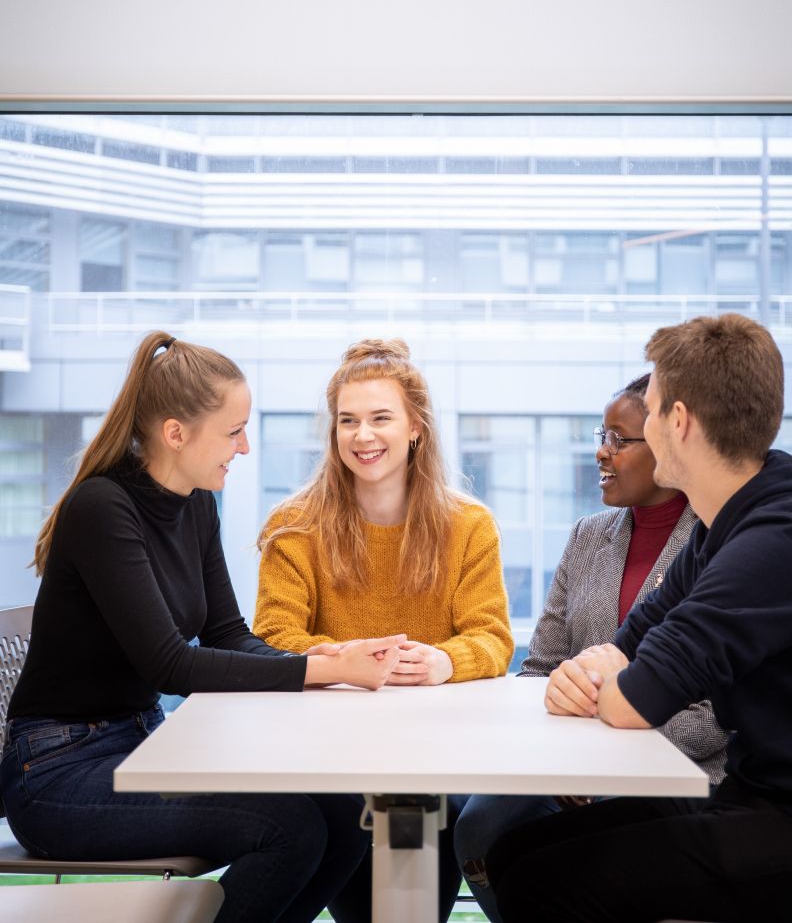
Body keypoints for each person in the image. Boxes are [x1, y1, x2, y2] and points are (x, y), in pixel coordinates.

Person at [0, 330, 408, 923]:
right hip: (59, 775)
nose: (243, 449)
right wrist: (323, 671)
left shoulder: (195, 503)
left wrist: (329, 656)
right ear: (176, 434)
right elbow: (172, 666)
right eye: (234, 431)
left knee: (346, 818)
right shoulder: (103, 507)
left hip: (145, 744)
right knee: (288, 829)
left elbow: (226, 635)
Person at [488, 313, 792, 923]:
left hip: (778, 820)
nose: (642, 426)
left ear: (677, 423)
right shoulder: (722, 524)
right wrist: (600, 672)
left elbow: (634, 699)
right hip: (750, 795)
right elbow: (626, 645)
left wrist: (610, 680)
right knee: (515, 854)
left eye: (648, 412)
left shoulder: (772, 536)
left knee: (544, 881)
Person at [253, 337, 514, 922]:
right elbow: (270, 637)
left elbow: (492, 637)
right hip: (328, 759)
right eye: (348, 421)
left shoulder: (469, 525)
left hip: (438, 757)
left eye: (380, 419)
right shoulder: (293, 525)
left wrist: (444, 662)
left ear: (416, 426)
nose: (362, 436)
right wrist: (345, 659)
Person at [452, 374, 729, 922]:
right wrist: (562, 758)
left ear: (670, 441)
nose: (602, 452)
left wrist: (602, 761)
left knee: (535, 855)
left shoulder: (721, 541)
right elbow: (539, 669)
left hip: (681, 767)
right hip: (566, 763)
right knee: (476, 826)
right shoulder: (587, 535)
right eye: (601, 435)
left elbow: (716, 713)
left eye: (621, 439)